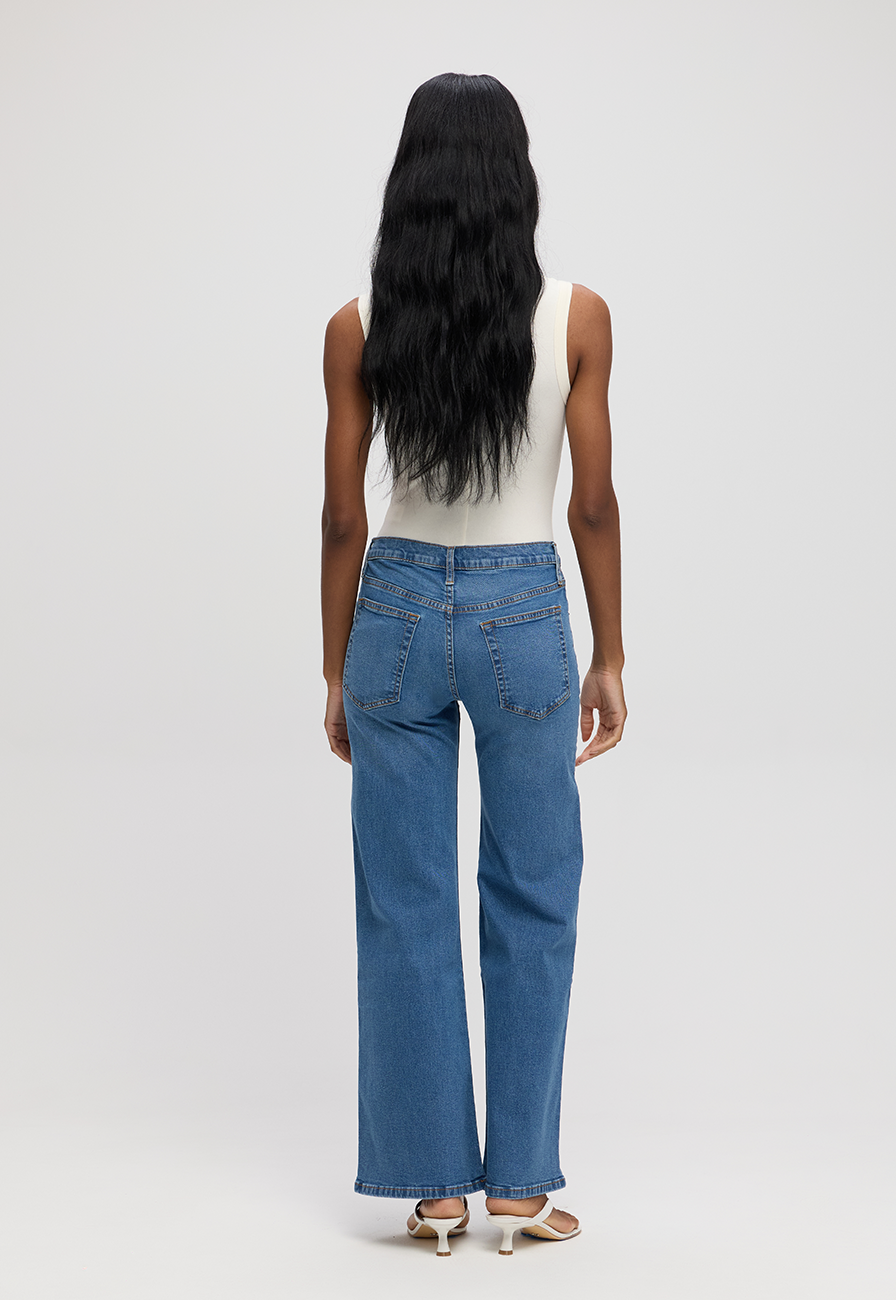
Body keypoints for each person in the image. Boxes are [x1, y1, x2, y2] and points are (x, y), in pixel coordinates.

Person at [320, 72, 626, 1258]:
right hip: (522, 615)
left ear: (410, 179)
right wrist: (611, 651)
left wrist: (335, 668)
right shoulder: (578, 317)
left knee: (404, 900)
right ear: (516, 178)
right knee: (535, 892)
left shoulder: (358, 324)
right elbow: (590, 504)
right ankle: (520, 1188)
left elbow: (343, 516)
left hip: (393, 610)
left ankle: (435, 1190)